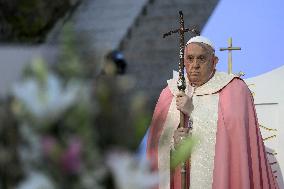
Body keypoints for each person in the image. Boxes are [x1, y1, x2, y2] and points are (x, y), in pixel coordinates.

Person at [146, 36, 279, 189]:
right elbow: (155, 148)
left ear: (214, 61)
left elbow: (234, 139)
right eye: (190, 59)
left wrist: (194, 111)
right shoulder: (169, 93)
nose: (194, 65)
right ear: (184, 62)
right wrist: (173, 143)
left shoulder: (234, 89)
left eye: (201, 59)